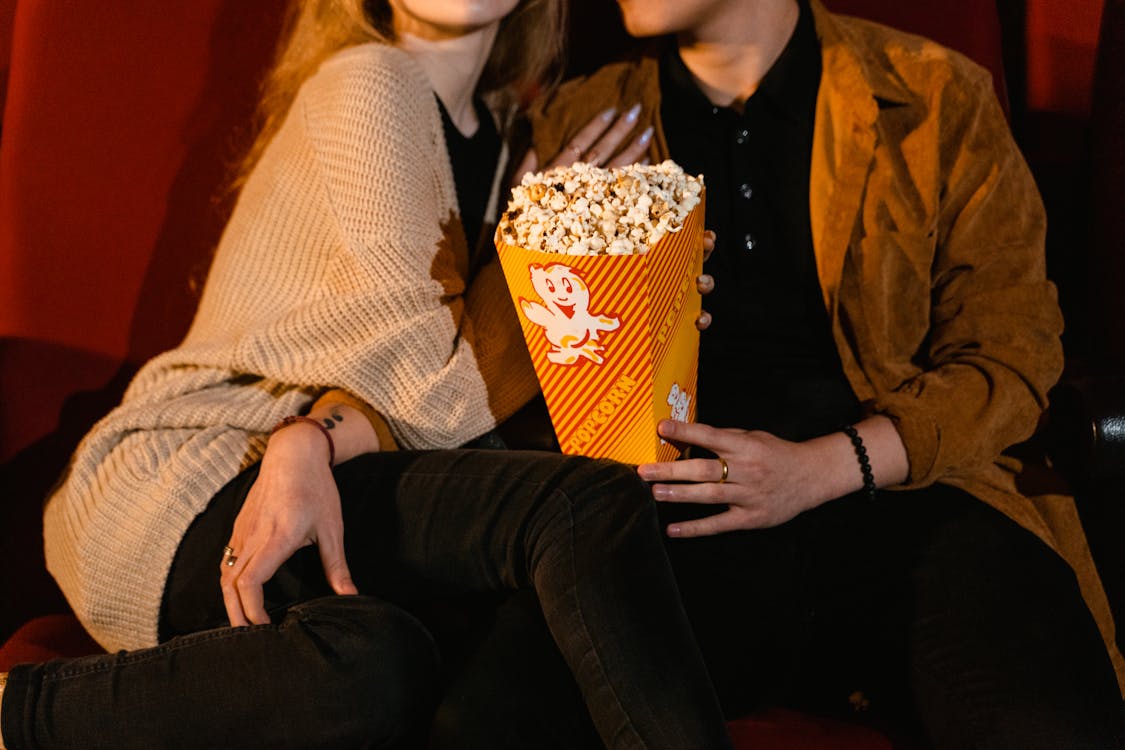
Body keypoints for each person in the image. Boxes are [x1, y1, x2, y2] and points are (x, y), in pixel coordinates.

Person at [0, 1, 733, 748]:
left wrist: (638, 297)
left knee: (385, 665)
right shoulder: (369, 83)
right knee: (584, 508)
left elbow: (471, 415)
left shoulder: (511, 131)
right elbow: (424, 388)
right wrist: (550, 263)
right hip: (196, 474)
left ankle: (19, 716)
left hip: (335, 468)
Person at [425, 0, 1125, 747]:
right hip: (677, 512)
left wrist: (821, 468)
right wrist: (536, 253)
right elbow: (520, 390)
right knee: (482, 718)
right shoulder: (584, 117)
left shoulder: (933, 94)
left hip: (916, 494)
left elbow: (1013, 357)